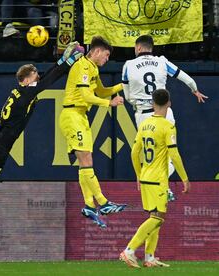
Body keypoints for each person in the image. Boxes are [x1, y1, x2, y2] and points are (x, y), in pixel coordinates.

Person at [0, 42, 84, 246]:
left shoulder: (21, 92)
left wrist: (61, 61)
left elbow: (46, 76)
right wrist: (69, 61)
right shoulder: (25, 93)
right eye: (34, 75)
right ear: (25, 79)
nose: (37, 77)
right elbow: (51, 78)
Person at [121, 35, 207, 200]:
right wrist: (194, 89)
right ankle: (163, 186)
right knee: (170, 154)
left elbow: (127, 95)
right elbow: (184, 77)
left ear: (137, 48)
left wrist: (136, 103)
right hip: (165, 114)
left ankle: (155, 186)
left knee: (148, 155)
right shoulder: (162, 61)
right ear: (151, 48)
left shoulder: (128, 66)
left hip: (143, 115)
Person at [59, 36, 126, 229]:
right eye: (105, 55)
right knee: (86, 160)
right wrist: (109, 104)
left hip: (81, 116)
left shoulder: (93, 68)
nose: (106, 60)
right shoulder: (82, 65)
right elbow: (86, 95)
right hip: (72, 115)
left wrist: (124, 85)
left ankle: (89, 205)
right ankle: (103, 203)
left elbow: (102, 91)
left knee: (85, 163)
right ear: (97, 51)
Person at [119, 88, 190, 268]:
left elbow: (135, 152)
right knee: (158, 217)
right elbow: (174, 155)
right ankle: (129, 250)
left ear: (152, 104)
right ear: (169, 104)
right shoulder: (167, 126)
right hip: (158, 179)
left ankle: (149, 257)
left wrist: (137, 174)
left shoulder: (144, 124)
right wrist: (185, 178)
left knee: (155, 216)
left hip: (145, 176)